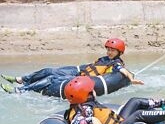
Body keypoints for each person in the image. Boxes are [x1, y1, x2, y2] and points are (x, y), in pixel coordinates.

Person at [1, 38, 143, 94]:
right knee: (48, 70)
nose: (109, 52)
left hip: (82, 82)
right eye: (108, 49)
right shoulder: (104, 58)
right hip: (78, 74)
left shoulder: (116, 63)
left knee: (51, 78)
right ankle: (21, 79)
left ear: (119, 52)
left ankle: (20, 90)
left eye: (112, 50)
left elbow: (122, 70)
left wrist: (131, 79)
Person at [63, 76, 165, 124]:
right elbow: (76, 122)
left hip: (118, 122)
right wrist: (91, 120)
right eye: (92, 90)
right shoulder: (84, 109)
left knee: (134, 101)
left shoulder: (83, 104)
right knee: (138, 114)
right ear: (87, 95)